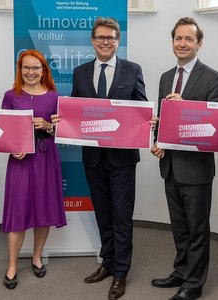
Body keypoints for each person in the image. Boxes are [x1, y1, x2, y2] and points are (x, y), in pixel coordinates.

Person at [53, 17, 148, 300]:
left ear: (118, 41)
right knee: (103, 213)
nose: (105, 42)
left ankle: (121, 272)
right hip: (92, 157)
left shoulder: (132, 70)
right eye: (100, 37)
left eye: (111, 38)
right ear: (92, 41)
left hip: (122, 159)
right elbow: (75, 109)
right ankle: (107, 262)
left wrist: (147, 119)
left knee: (122, 216)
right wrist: (63, 119)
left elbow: (141, 107)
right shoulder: (81, 72)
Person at [150, 17, 218, 300]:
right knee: (180, 227)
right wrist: (158, 143)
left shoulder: (212, 77)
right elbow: (162, 121)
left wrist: (186, 107)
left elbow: (214, 123)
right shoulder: (165, 77)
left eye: (189, 39)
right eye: (178, 38)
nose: (182, 43)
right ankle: (181, 272)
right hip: (169, 166)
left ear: (199, 43)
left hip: (196, 169)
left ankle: (193, 285)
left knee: (197, 229)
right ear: (173, 42)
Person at [0, 49, 67, 290]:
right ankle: (12, 265)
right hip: (20, 159)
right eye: (26, 68)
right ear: (20, 70)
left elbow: (64, 131)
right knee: (18, 214)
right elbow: (4, 130)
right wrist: (12, 147)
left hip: (46, 157)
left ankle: (37, 257)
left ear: (43, 71)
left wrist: (49, 126)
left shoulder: (53, 97)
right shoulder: (10, 95)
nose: (31, 72)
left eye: (35, 68)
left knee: (43, 209)